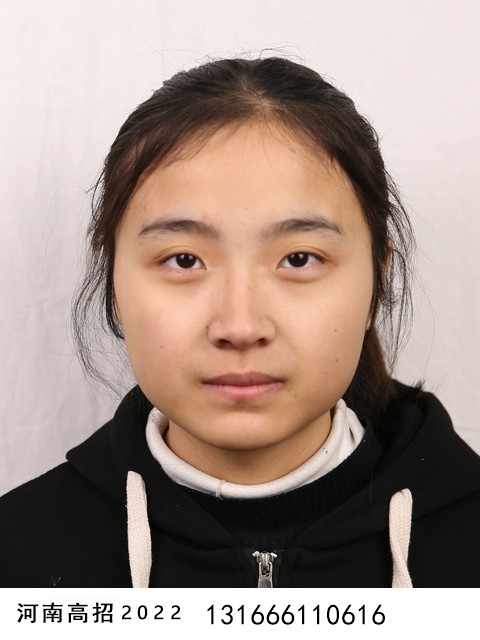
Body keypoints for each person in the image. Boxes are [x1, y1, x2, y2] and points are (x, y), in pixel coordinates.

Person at [1, 56, 479, 589]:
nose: (240, 326)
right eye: (184, 260)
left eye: (299, 259)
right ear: (113, 280)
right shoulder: (18, 558)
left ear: (378, 281)